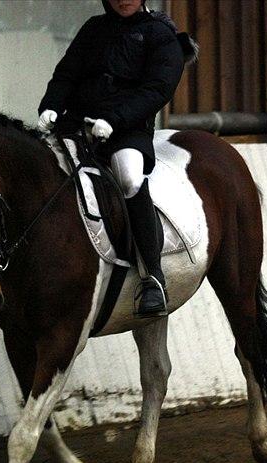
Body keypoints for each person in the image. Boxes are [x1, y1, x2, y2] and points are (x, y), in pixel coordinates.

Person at [37, 0, 196, 317]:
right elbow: (67, 73)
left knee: (129, 176)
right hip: (78, 126)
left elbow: (157, 89)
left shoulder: (160, 35)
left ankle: (152, 277)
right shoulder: (93, 29)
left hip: (128, 131)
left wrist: (115, 119)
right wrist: (51, 104)